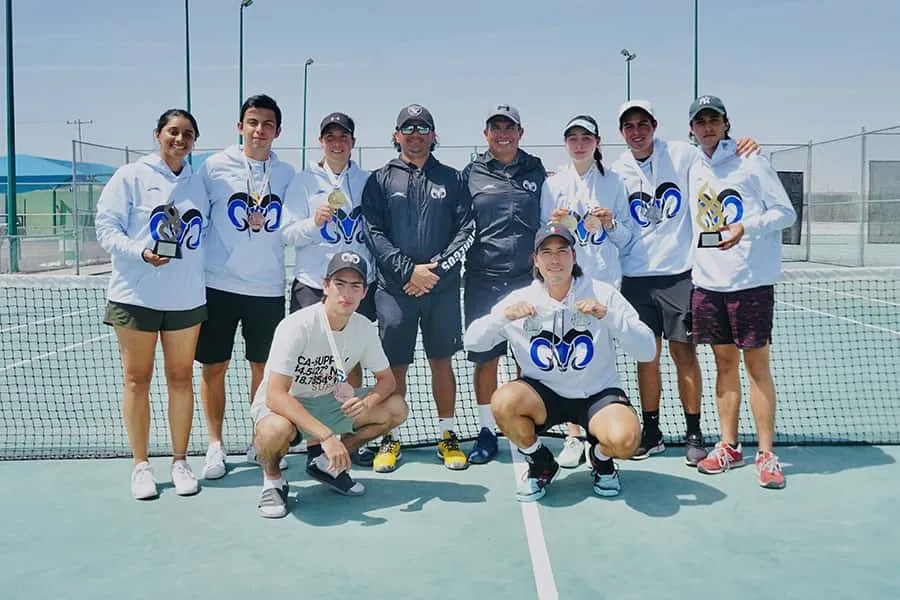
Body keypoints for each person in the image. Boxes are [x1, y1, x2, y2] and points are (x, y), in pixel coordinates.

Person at [611, 100, 758, 466]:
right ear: (622, 132)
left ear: (655, 125)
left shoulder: (683, 155)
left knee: (684, 356)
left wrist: (739, 144)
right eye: (629, 126)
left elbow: (715, 154)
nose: (637, 131)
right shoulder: (616, 170)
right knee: (647, 358)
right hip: (635, 279)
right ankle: (652, 432)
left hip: (679, 277)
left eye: (643, 124)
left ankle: (694, 433)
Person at [464, 223, 655, 501]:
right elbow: (472, 342)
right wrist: (504, 317)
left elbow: (647, 350)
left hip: (596, 394)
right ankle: (540, 461)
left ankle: (600, 459)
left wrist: (608, 315)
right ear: (536, 261)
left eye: (562, 251)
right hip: (543, 396)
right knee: (504, 401)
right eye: (547, 253)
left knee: (625, 441)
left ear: (574, 257)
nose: (555, 260)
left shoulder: (602, 293)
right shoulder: (521, 299)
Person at [95, 108, 208, 500]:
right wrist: (141, 252)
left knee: (181, 378)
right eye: (173, 131)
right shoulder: (129, 176)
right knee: (136, 379)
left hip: (186, 298)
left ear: (194, 141)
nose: (180, 139)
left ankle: (180, 461)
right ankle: (141, 465)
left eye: (188, 134)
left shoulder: (199, 183)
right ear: (158, 134)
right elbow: (106, 229)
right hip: (135, 296)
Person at [686, 95, 795, 489]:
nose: (707, 127)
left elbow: (785, 213)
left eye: (714, 120)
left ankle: (766, 454)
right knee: (724, 366)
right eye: (700, 121)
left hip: (750, 285)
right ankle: (729, 446)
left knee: (757, 368)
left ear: (726, 124)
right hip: (708, 285)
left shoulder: (751, 160)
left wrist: (746, 227)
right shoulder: (692, 164)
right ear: (692, 128)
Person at [250, 251, 409, 518]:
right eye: (339, 284)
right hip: (284, 406)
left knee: (396, 408)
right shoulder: (297, 325)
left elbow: (387, 380)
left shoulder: (363, 328)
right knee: (273, 431)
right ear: (325, 286)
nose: (346, 293)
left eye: (355, 286)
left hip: (326, 403)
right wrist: (326, 437)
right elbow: (275, 395)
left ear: (364, 292)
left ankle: (325, 464)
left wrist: (367, 403)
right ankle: (273, 481)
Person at [361, 104, 475, 471]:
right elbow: (373, 232)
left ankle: (447, 434)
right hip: (395, 291)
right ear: (396, 135)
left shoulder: (453, 179)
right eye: (407, 128)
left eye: (422, 128)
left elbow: (466, 230)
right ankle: (389, 437)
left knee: (442, 362)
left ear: (433, 134)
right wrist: (408, 272)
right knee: (394, 368)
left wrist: (433, 273)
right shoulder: (379, 180)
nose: (415, 134)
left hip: (441, 291)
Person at [195, 94, 296, 480]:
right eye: (252, 122)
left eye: (267, 124)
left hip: (267, 288)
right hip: (218, 285)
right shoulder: (214, 167)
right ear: (240, 126)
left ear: (277, 131)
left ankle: (262, 440)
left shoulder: (287, 174)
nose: (259, 130)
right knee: (214, 367)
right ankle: (215, 445)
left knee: (265, 371)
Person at [281, 111, 382, 469]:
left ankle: (346, 434)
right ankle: (316, 441)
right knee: (312, 367)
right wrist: (313, 223)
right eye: (330, 137)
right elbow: (286, 234)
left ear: (353, 142)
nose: (337, 143)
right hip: (315, 285)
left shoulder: (368, 181)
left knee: (351, 360)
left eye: (343, 137)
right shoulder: (302, 181)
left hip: (356, 286)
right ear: (321, 142)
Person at [541, 114, 633, 468]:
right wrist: (554, 224)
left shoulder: (615, 182)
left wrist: (610, 223)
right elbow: (543, 237)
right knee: (569, 357)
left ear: (597, 143)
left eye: (586, 138)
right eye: (573, 138)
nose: (579, 144)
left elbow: (626, 238)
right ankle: (574, 435)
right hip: (565, 284)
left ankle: (600, 431)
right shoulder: (553, 184)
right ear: (566, 143)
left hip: (604, 285)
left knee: (602, 360)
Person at [461, 104, 547, 465]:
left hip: (529, 281)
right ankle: (486, 430)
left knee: (529, 357)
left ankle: (526, 423)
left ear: (520, 133)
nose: (503, 134)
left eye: (509, 128)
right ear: (486, 134)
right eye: (496, 128)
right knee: (487, 358)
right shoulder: (471, 173)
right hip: (483, 280)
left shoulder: (536, 169)